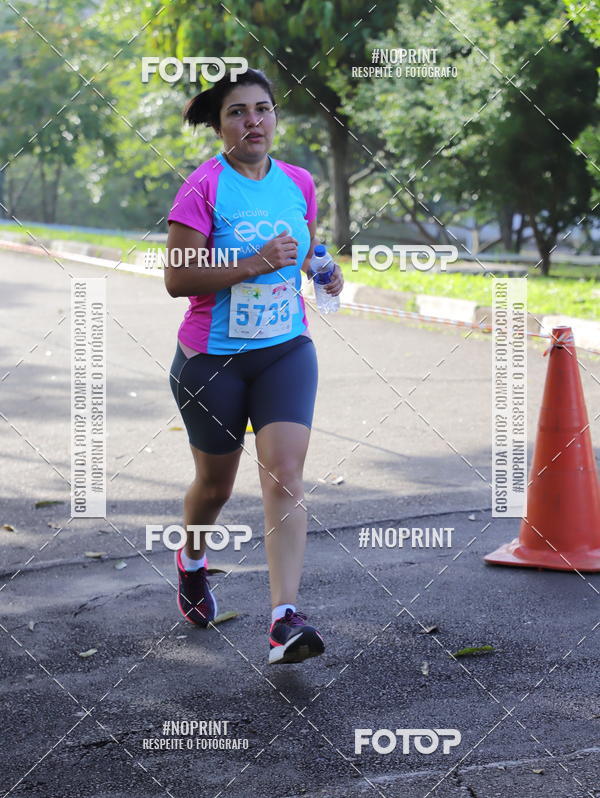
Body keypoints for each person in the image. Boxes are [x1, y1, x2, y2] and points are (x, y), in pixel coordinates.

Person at [165, 67, 344, 664]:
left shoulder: (298, 181)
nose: (253, 121)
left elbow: (306, 251)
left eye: (262, 109)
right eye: (238, 112)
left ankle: (282, 620)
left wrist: (323, 269)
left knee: (285, 476)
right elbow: (177, 278)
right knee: (214, 487)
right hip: (212, 361)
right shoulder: (202, 188)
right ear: (220, 127)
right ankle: (193, 560)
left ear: (275, 117)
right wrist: (252, 262)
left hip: (286, 350)